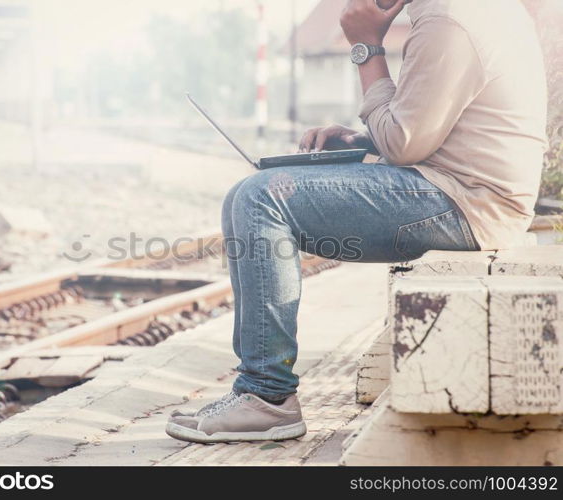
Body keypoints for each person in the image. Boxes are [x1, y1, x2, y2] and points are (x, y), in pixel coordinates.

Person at [166, 0, 548, 443]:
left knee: (260, 199)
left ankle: (266, 397)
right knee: (246, 194)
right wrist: (363, 141)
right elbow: (425, 131)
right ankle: (260, 393)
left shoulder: (449, 16)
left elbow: (404, 145)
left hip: (471, 205)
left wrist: (366, 47)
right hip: (469, 194)